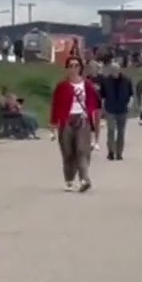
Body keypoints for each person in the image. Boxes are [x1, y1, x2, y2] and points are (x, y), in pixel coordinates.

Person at [49, 56, 100, 192]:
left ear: (80, 68)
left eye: (76, 65)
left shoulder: (87, 85)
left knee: (82, 151)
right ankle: (69, 180)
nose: (73, 68)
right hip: (66, 121)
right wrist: (53, 123)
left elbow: (95, 104)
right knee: (68, 153)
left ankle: (84, 179)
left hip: (82, 120)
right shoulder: (62, 86)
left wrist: (95, 120)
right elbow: (55, 105)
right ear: (67, 68)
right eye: (70, 66)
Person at [98, 62, 134, 160]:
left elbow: (131, 95)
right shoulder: (106, 81)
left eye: (116, 70)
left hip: (122, 109)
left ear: (119, 70)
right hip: (110, 109)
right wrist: (102, 108)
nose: (114, 72)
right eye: (112, 70)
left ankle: (119, 153)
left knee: (121, 132)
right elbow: (102, 95)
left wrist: (129, 105)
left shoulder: (127, 80)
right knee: (111, 130)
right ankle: (111, 152)